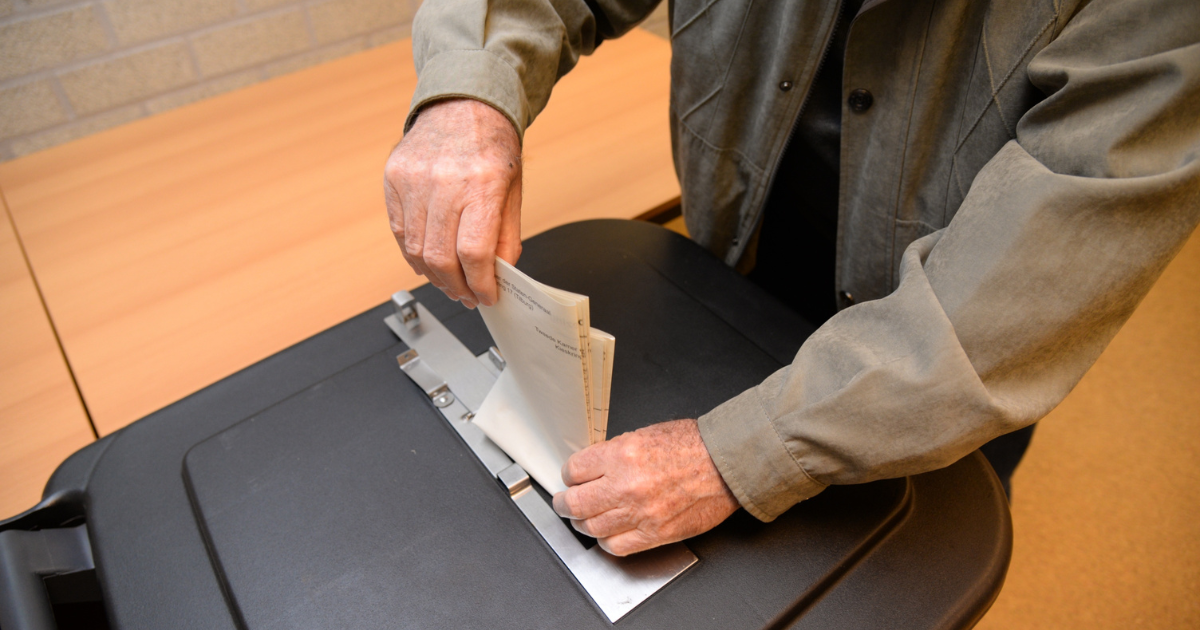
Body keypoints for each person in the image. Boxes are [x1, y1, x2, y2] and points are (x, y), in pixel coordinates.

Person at [383, 0, 1200, 557]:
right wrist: (467, 94)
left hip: (949, 337)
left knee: (906, 566)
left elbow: (1029, 281)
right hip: (736, 256)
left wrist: (741, 454)